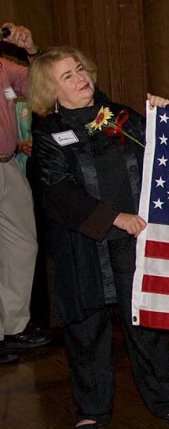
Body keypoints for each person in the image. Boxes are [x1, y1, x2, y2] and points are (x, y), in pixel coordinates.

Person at [27, 46, 169, 429]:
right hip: (82, 246)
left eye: (80, 69)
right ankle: (91, 411)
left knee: (145, 323)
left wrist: (163, 117)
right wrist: (112, 217)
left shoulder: (120, 117)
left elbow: (164, 153)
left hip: (131, 244)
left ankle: (167, 401)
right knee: (86, 329)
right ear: (50, 91)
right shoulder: (48, 134)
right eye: (67, 75)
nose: (80, 77)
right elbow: (57, 191)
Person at [0, 22, 50, 364]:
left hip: (5, 163)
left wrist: (30, 50)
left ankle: (11, 325)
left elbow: (42, 86)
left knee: (23, 244)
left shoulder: (3, 66)